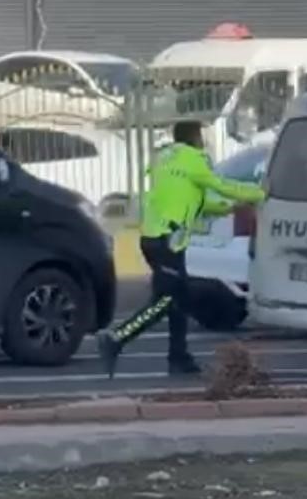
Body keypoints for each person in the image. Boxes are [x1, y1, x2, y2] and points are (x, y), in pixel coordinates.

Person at [99, 120, 265, 378]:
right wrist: (260, 194)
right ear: (195, 138)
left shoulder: (166, 159)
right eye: (203, 137)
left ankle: (179, 357)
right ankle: (117, 338)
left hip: (155, 238)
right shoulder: (193, 160)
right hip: (167, 240)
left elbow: (196, 199)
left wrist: (230, 207)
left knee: (178, 299)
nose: (205, 143)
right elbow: (222, 186)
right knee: (167, 300)